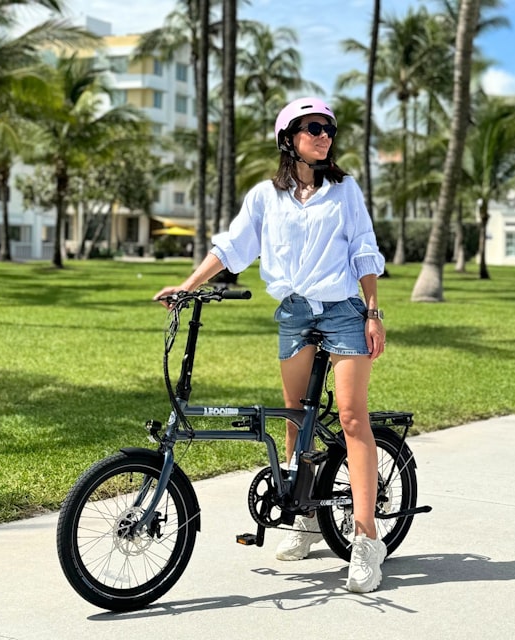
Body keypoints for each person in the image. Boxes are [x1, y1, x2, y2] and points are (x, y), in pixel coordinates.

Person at [154, 97, 387, 593]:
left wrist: (372, 311)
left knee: (350, 417)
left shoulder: (345, 190)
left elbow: (364, 249)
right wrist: (187, 285)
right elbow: (233, 246)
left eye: (328, 128)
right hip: (295, 312)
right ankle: (304, 515)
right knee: (292, 415)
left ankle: (366, 541)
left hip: (344, 310)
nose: (324, 135)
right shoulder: (266, 196)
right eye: (313, 128)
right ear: (289, 139)